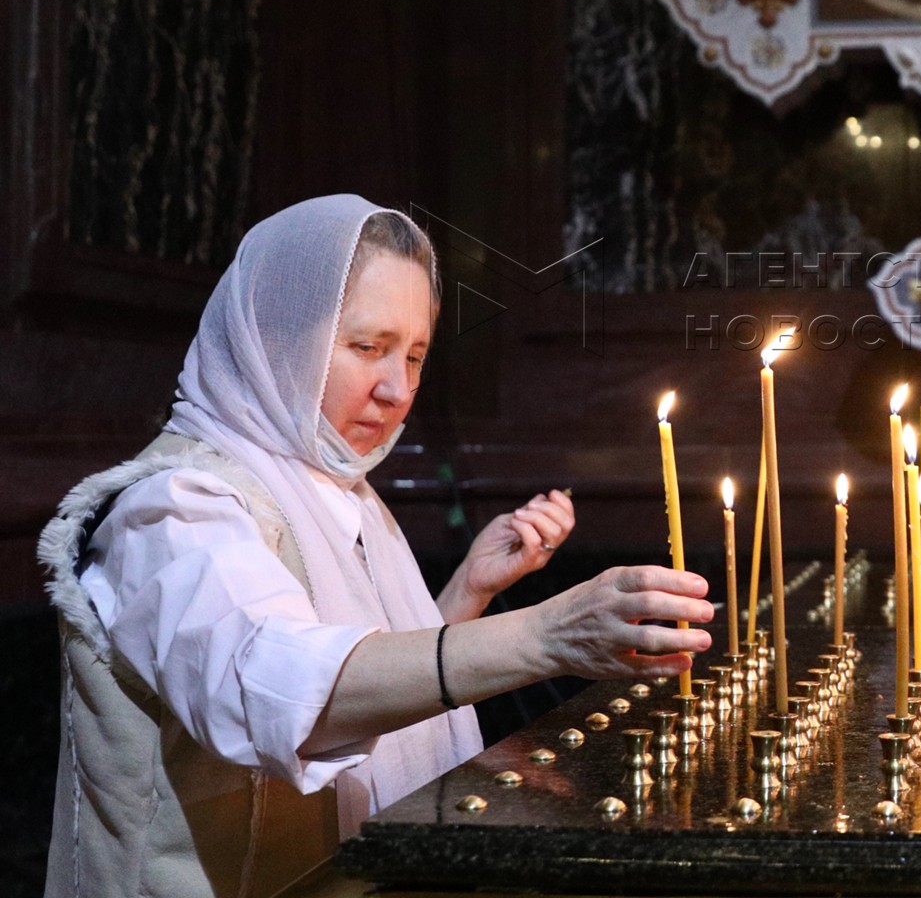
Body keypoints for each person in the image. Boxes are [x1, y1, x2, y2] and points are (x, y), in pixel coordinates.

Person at [37, 195, 713, 898]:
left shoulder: (339, 487)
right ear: (275, 340)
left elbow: (367, 693)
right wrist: (548, 635)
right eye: (368, 347)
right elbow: (279, 691)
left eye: (415, 355)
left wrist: (466, 592)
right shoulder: (172, 510)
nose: (398, 389)